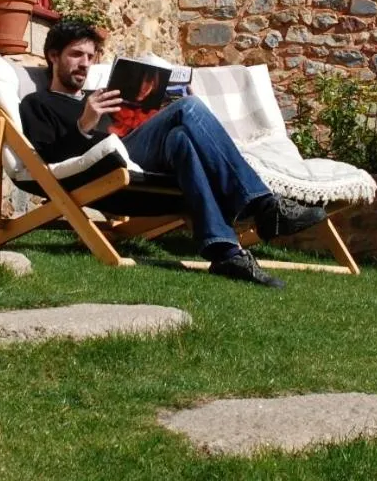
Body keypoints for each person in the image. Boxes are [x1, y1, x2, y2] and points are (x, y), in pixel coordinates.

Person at [18, 19, 326, 288]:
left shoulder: (103, 96)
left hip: (140, 166)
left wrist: (164, 107)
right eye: (75, 55)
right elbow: (49, 160)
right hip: (104, 176)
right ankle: (263, 207)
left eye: (89, 55)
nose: (85, 63)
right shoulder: (38, 103)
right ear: (53, 56)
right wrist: (85, 123)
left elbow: (134, 129)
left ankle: (225, 252)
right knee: (189, 110)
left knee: (181, 134)